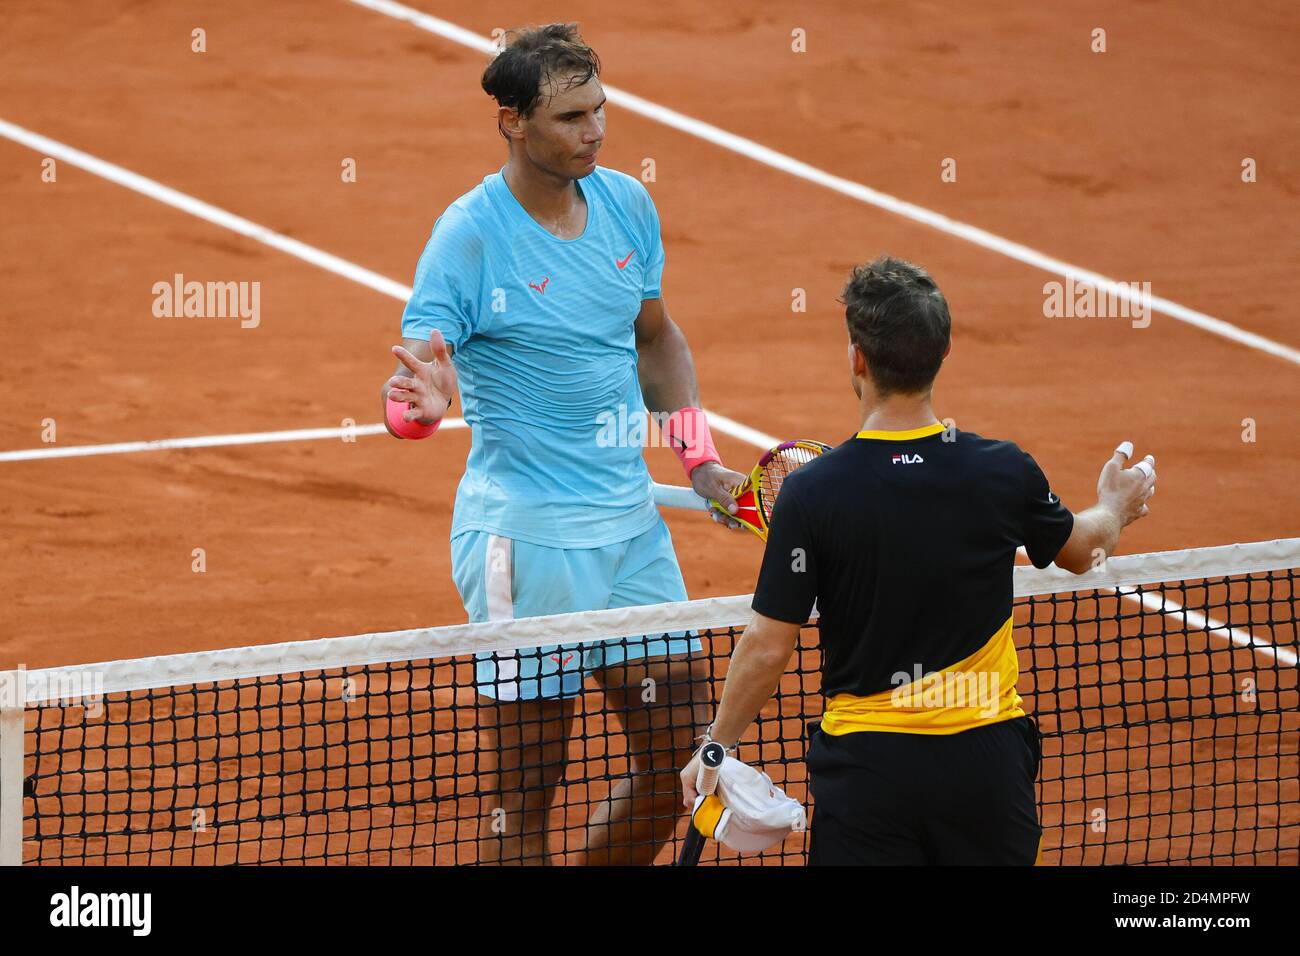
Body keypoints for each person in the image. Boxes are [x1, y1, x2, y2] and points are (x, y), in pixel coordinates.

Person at [380, 23, 744, 865]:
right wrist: (425, 408)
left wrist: (701, 460)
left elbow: (655, 340)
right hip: (530, 545)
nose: (595, 131)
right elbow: (412, 387)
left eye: (601, 110)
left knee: (684, 759)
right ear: (510, 120)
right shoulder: (468, 237)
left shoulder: (626, 204)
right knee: (526, 796)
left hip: (631, 534)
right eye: (571, 116)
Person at [680, 256, 1157, 865]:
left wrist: (716, 748)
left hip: (870, 775)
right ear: (944, 350)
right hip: (986, 770)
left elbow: (769, 646)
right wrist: (1115, 505)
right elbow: (1083, 548)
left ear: (857, 357)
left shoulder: (814, 493)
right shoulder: (1001, 469)